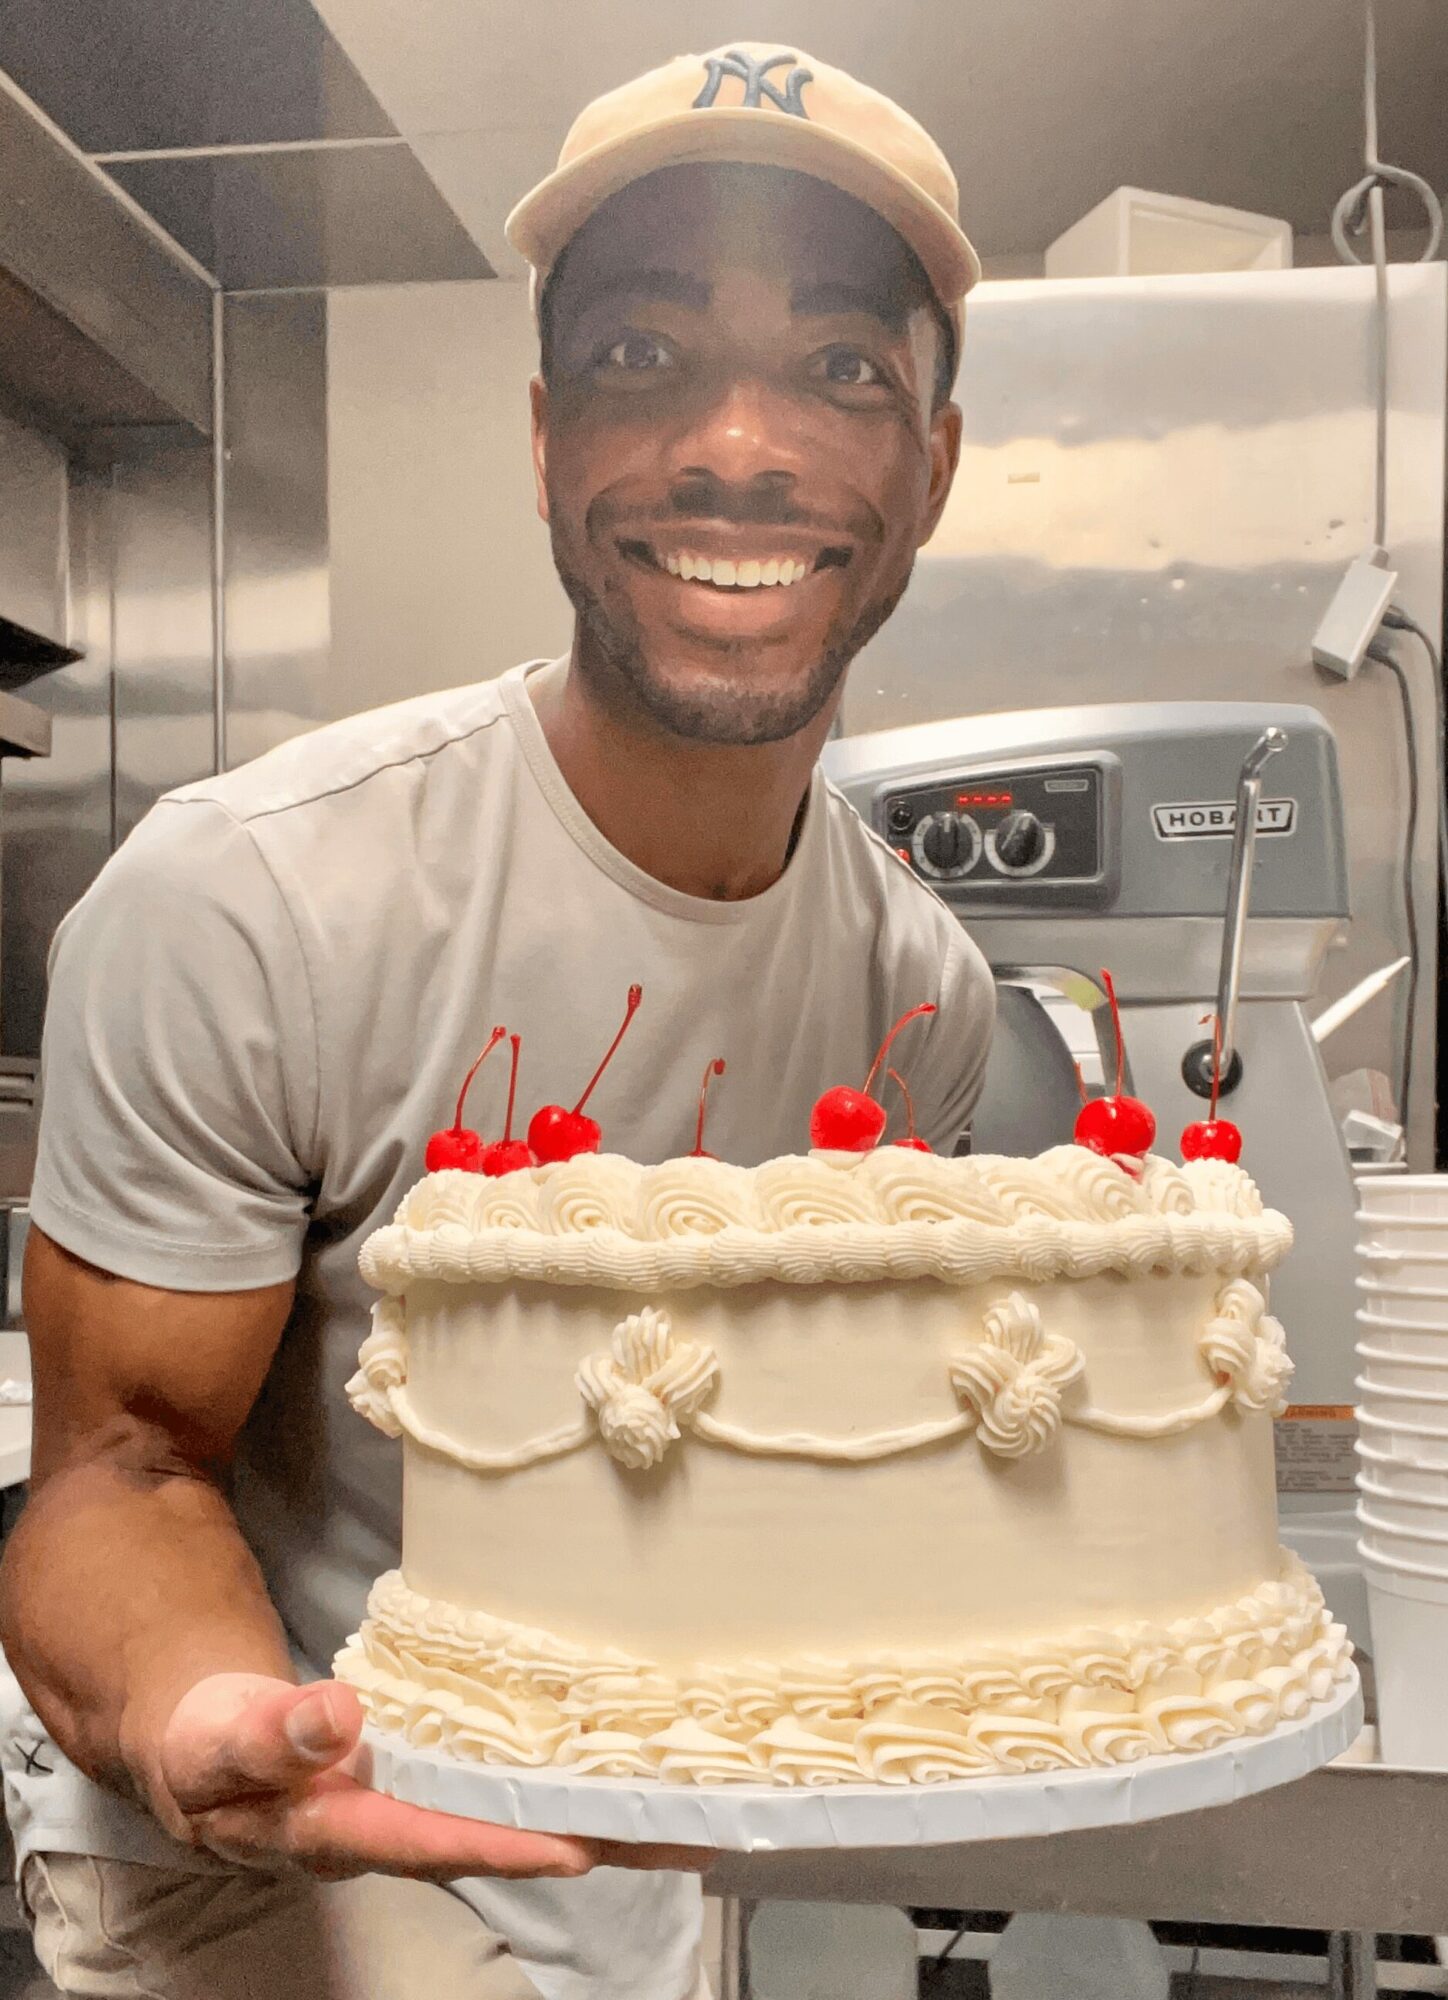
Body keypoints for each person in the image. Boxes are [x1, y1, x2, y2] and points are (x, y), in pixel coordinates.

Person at [0, 39, 994, 2000]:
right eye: (640, 355)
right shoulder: (254, 895)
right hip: (256, 1837)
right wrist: (223, 1723)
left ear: (933, 467)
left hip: (623, 1843)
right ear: (545, 439)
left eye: (839, 368)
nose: (737, 443)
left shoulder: (918, 1003)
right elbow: (121, 1470)